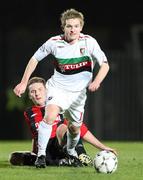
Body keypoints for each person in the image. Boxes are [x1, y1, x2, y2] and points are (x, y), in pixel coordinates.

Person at [13, 8, 110, 168]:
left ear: (81, 27)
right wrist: (24, 83)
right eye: (69, 26)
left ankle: (71, 151)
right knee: (50, 116)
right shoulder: (54, 43)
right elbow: (34, 59)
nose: (73, 29)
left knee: (74, 129)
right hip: (58, 88)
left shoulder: (89, 42)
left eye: (76, 26)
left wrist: (97, 81)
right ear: (63, 27)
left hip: (78, 95)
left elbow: (105, 65)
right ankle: (41, 156)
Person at [10, 77, 116, 167]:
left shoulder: (58, 106)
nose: (37, 93)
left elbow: (81, 129)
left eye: (40, 89)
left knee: (63, 127)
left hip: (61, 144)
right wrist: (35, 153)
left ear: (46, 90)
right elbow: (36, 135)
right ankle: (64, 161)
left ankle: (80, 155)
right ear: (29, 95)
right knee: (14, 157)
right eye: (33, 91)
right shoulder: (29, 113)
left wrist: (103, 147)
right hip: (46, 150)